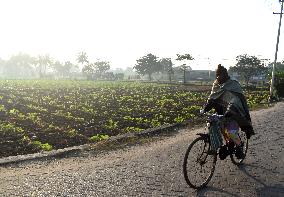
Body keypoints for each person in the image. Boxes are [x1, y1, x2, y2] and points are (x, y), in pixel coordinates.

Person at [202, 64, 255, 159]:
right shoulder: (216, 84)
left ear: (225, 75)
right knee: (214, 126)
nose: (218, 77)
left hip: (234, 113)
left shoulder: (233, 84)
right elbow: (212, 99)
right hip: (221, 112)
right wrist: (205, 109)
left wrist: (230, 110)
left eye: (220, 75)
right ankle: (217, 146)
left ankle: (239, 146)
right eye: (217, 75)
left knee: (231, 132)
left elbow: (236, 100)